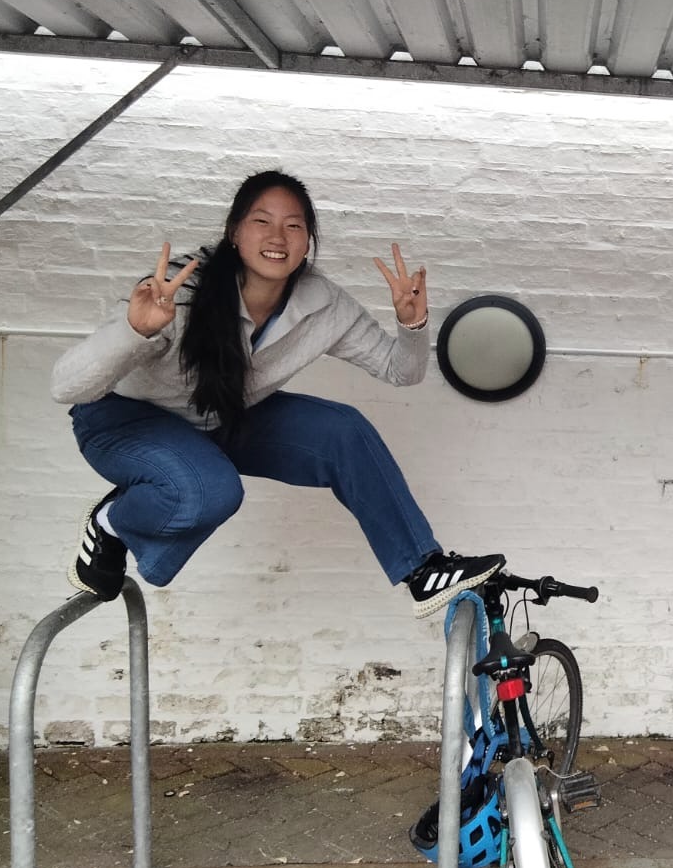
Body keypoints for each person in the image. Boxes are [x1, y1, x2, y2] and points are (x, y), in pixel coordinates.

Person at [51, 169, 502, 617]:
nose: (277, 237)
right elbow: (67, 386)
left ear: (307, 242)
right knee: (211, 491)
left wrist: (412, 324)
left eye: (293, 225)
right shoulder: (176, 292)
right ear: (234, 232)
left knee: (344, 431)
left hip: (220, 418)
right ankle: (111, 522)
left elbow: (400, 371)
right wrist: (135, 331)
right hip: (124, 420)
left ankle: (422, 569)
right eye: (261, 221)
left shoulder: (322, 304)